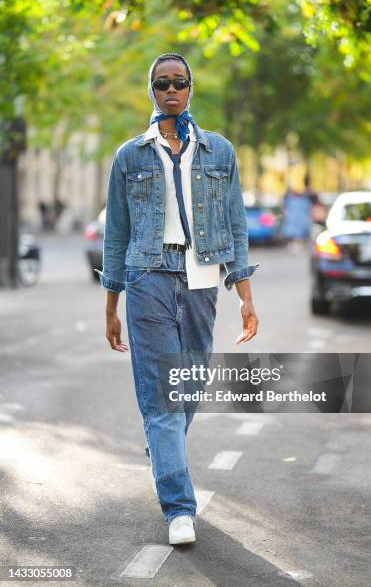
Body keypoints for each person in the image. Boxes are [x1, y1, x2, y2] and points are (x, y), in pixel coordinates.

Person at [95, 52, 259, 545]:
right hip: (148, 276)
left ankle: (161, 445)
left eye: (179, 82)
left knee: (187, 389)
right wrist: (111, 305)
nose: (171, 89)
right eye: (162, 82)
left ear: (191, 89)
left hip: (203, 277)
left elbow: (235, 225)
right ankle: (179, 508)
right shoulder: (129, 156)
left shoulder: (219, 152)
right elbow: (116, 236)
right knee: (164, 399)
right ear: (151, 91)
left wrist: (246, 296)